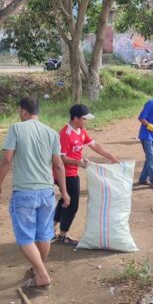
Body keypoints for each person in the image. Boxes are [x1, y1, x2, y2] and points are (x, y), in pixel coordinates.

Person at [0, 97, 69, 289]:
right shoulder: (51, 133)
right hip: (47, 192)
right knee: (44, 234)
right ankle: (38, 269)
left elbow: (7, 159)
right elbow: (59, 164)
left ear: (24, 111)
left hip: (24, 193)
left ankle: (42, 274)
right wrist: (64, 192)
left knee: (25, 237)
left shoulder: (16, 129)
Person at [53, 104, 119, 246]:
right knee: (72, 204)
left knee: (64, 200)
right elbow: (61, 158)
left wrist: (111, 157)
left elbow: (94, 145)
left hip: (73, 171)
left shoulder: (81, 130)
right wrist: (79, 162)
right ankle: (63, 235)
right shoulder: (65, 134)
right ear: (76, 118)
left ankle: (50, 228)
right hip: (65, 174)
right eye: (84, 118)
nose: (86, 121)